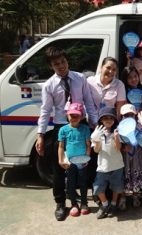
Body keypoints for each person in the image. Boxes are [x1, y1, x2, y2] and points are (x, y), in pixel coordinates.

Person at [35, 47, 97, 221]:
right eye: (56, 64)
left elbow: (89, 101)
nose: (61, 66)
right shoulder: (49, 85)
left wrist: (94, 123)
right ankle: (61, 203)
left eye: (63, 62)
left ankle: (85, 199)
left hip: (82, 125)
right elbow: (46, 110)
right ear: (51, 66)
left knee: (86, 164)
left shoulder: (80, 78)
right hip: (62, 127)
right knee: (59, 166)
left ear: (67, 61)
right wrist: (40, 135)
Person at [57, 103, 91, 217]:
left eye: (77, 115)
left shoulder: (85, 129)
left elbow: (88, 145)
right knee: (70, 184)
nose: (74, 118)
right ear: (67, 116)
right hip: (70, 163)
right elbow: (61, 147)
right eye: (71, 115)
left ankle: (84, 204)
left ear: (81, 117)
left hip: (82, 162)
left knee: (83, 183)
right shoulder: (63, 130)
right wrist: (61, 160)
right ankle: (73, 204)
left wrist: (87, 158)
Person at [91, 107, 124, 219]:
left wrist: (116, 138)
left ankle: (114, 204)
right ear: (101, 120)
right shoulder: (97, 132)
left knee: (117, 187)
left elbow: (118, 148)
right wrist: (96, 140)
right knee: (98, 187)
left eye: (111, 118)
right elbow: (96, 150)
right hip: (102, 167)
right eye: (105, 118)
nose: (108, 120)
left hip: (117, 166)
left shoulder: (117, 132)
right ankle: (105, 204)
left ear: (114, 120)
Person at [119, 103, 142, 211]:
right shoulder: (119, 127)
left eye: (131, 115)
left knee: (136, 173)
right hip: (124, 155)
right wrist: (123, 148)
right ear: (122, 116)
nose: (128, 117)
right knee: (124, 174)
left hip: (137, 154)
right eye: (126, 115)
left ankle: (136, 194)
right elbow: (117, 143)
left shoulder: (138, 126)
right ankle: (123, 197)